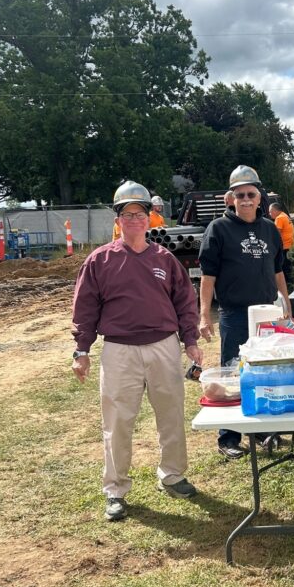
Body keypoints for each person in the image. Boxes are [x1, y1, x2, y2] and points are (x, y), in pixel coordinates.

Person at [72, 180, 203, 521]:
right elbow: (84, 308)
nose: (133, 220)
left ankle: (172, 475)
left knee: (171, 413)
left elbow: (185, 302)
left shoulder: (165, 259)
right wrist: (81, 351)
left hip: (163, 347)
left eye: (139, 214)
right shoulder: (100, 260)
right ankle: (115, 490)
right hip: (119, 351)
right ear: (118, 220)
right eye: (126, 215)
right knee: (117, 422)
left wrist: (190, 341)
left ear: (149, 218)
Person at [198, 165, 292, 460]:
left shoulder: (269, 229)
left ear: (259, 196)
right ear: (231, 198)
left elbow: (278, 271)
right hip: (235, 313)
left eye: (251, 194)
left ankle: (262, 429)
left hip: (267, 313)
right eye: (240, 195)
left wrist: (287, 305)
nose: (246, 199)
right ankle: (229, 436)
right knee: (233, 373)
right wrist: (203, 315)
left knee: (265, 370)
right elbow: (208, 276)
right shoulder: (219, 229)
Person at [269, 202, 294, 287]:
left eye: (270, 211)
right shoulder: (285, 215)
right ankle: (290, 282)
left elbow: (276, 234)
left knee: (281, 266)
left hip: (283, 246)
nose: (269, 214)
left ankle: (285, 283)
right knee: (287, 265)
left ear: (275, 210)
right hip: (289, 245)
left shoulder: (279, 218)